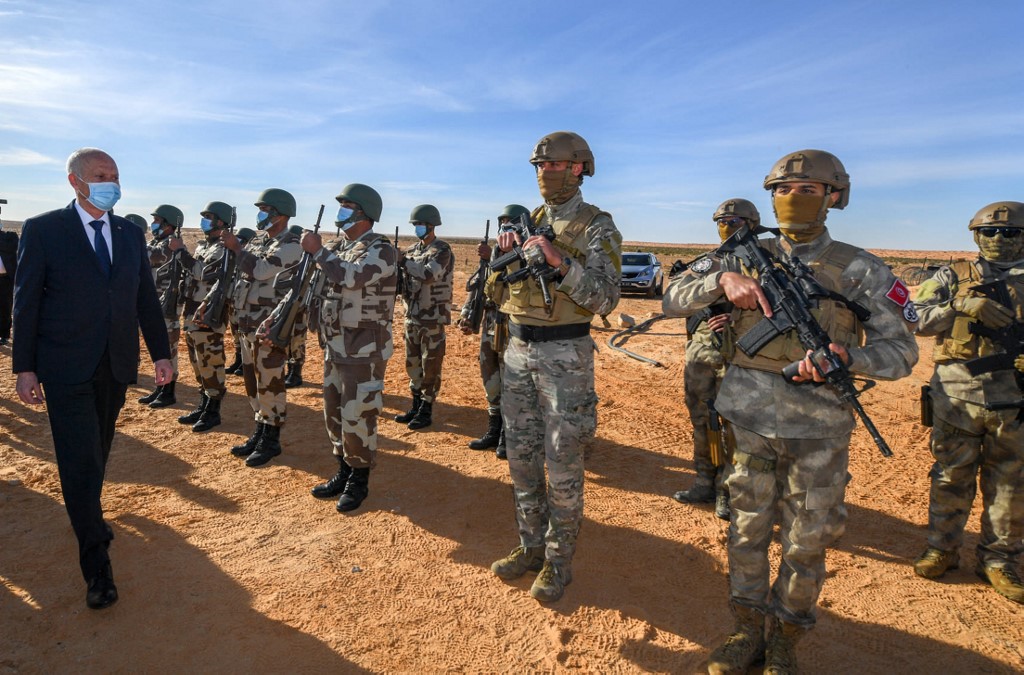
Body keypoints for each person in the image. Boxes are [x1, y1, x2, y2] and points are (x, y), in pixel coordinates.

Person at [663, 149, 918, 673]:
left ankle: (785, 639)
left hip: (818, 431)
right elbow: (673, 297)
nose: (793, 199)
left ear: (833, 197)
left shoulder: (860, 268)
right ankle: (745, 631)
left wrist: (850, 358)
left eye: (807, 190)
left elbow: (902, 352)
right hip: (749, 422)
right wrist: (721, 282)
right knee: (746, 532)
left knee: (807, 542)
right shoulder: (740, 254)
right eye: (783, 190)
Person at [12, 147, 172, 609]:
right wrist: (24, 367)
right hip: (64, 365)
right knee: (79, 459)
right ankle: (97, 564)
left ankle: (88, 513)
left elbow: (145, 299)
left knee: (98, 450)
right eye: (101, 175)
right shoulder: (44, 229)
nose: (111, 183)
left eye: (115, 175)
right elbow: (26, 301)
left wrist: (161, 354)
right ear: (75, 181)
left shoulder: (129, 233)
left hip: (115, 364)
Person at [488, 131, 622, 603]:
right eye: (539, 166)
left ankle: (558, 561)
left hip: (565, 356)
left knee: (562, 460)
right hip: (518, 351)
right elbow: (499, 294)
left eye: (554, 165)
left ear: (578, 168)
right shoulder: (532, 220)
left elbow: (607, 297)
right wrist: (502, 260)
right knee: (521, 457)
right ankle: (531, 546)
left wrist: (560, 262)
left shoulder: (597, 226)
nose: (544, 173)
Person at [912, 200, 1024, 605]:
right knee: (949, 476)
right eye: (989, 231)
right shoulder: (952, 275)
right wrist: (958, 304)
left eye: (1010, 232)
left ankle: (999, 560)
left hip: (1016, 401)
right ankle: (942, 548)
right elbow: (914, 318)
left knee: (1011, 485)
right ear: (976, 235)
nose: (998, 238)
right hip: (956, 396)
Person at [284, 183, 397, 512]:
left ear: (365, 214)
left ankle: (359, 479)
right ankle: (343, 469)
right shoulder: (338, 246)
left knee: (358, 413)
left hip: (363, 349)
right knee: (333, 412)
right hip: (335, 345)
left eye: (348, 206)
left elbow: (353, 278)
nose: (341, 211)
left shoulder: (382, 249)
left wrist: (319, 252)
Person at [670, 198, 760, 521]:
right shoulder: (709, 263)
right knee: (702, 421)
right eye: (721, 222)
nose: (726, 227)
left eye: (734, 222)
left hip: (741, 357)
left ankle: (727, 491)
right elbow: (675, 296)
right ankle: (704, 482)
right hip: (701, 356)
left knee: (735, 429)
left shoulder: (764, 265)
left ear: (752, 225)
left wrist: (737, 317)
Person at [222, 188, 302, 467]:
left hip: (270, 326)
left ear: (281, 215)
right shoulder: (260, 242)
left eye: (266, 210)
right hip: (247, 323)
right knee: (252, 382)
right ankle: (260, 429)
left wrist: (237, 248)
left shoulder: (291, 245)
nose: (261, 215)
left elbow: (260, 270)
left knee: (270, 383)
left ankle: (272, 439)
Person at [457, 204, 529, 459]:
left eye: (510, 224)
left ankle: (508, 437)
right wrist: (467, 314)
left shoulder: (527, 255)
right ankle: (493, 430)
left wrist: (501, 259)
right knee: (491, 380)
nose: (504, 228)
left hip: (514, 329)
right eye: (502, 223)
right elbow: (478, 287)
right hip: (490, 324)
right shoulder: (493, 255)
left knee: (512, 382)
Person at [173, 201, 233, 433]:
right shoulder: (204, 246)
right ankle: (204, 404)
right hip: (192, 311)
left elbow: (203, 273)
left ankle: (213, 411)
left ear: (221, 222)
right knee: (197, 362)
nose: (204, 221)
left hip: (209, 313)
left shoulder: (223, 249)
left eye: (209, 217)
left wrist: (181, 252)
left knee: (210, 362)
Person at [393, 204, 454, 430]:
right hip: (412, 315)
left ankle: (426, 408)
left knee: (431, 364)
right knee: (412, 362)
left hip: (432, 318)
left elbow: (428, 274)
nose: (417, 227)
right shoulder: (412, 250)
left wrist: (403, 261)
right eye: (415, 224)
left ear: (431, 225)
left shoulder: (442, 250)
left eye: (421, 224)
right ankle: (416, 403)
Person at [137, 204, 185, 408]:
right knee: (159, 347)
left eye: (157, 221)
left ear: (168, 224)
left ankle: (168, 392)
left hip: (167, 305)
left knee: (168, 348)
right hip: (155, 303)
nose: (153, 224)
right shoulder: (156, 242)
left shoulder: (171, 244)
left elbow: (152, 256)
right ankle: (160, 388)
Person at [0, 211, 17, 346]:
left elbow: (11, 247)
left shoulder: (9, 239)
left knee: (5, 307)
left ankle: (4, 334)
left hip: (5, 279)